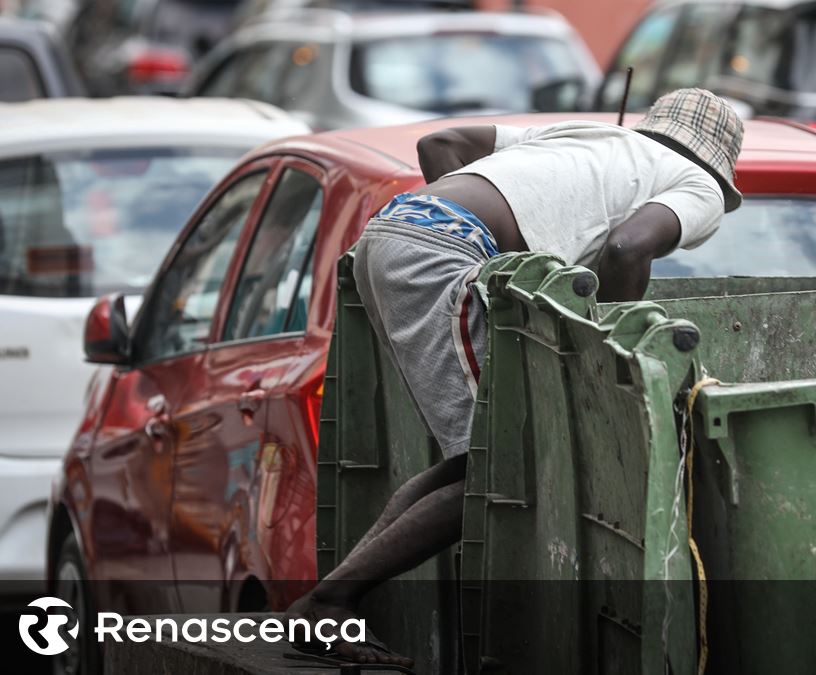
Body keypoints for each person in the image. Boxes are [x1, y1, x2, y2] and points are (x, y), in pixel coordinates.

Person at [288, 88, 744, 666]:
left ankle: (330, 605)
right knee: (505, 468)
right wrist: (606, 354)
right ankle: (327, 605)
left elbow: (440, 142)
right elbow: (629, 249)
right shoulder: (696, 183)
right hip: (440, 253)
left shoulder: (584, 133)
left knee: (471, 461)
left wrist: (482, 249)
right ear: (719, 164)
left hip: (394, 232)